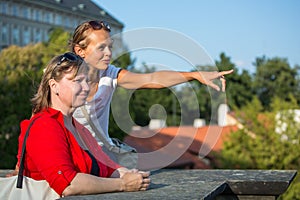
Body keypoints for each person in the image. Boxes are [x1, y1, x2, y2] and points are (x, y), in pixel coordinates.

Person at [70, 20, 233, 166]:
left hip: (101, 159)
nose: (109, 53)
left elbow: (153, 78)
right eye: (101, 48)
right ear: (80, 51)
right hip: (71, 159)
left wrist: (195, 75)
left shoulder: (110, 74)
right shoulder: (61, 80)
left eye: (110, 47)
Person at [16, 52, 150, 197]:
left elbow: (104, 167)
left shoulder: (78, 128)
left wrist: (130, 175)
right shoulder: (44, 125)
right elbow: (67, 184)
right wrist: (123, 184)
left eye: (87, 80)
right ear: (54, 86)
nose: (86, 87)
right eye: (78, 81)